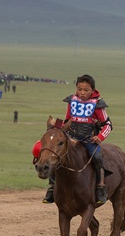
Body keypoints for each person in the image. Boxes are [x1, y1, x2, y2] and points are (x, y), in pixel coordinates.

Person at [43, 74, 112, 205]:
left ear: (92, 90)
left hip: (88, 139)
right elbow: (67, 121)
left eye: (86, 90)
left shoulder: (97, 104)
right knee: (55, 154)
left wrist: (100, 137)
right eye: (79, 89)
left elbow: (108, 125)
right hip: (71, 137)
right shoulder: (72, 101)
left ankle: (100, 187)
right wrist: (57, 127)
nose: (82, 93)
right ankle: (52, 186)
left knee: (97, 157)